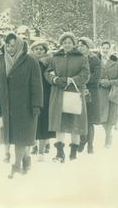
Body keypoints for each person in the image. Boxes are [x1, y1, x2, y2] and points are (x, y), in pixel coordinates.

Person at [0, 32, 43, 179]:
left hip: (25, 107)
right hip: (7, 106)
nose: (9, 48)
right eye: (7, 45)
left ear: (20, 45)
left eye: (13, 45)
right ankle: (26, 160)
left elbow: (37, 85)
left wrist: (36, 105)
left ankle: (16, 165)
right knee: (13, 137)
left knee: (21, 138)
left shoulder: (31, 61)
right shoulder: (2, 60)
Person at [45, 32, 90, 162]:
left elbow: (86, 74)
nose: (67, 45)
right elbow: (47, 72)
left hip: (74, 93)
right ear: (61, 44)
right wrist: (54, 79)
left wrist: (73, 80)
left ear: (74, 44)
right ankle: (60, 152)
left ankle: (73, 152)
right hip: (58, 93)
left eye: (69, 42)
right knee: (59, 123)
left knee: (75, 122)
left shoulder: (81, 58)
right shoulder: (55, 57)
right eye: (64, 43)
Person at [30, 40, 55, 162]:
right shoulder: (29, 62)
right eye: (36, 49)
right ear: (33, 51)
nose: (39, 51)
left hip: (46, 94)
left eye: (41, 49)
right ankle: (34, 145)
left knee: (43, 122)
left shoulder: (49, 63)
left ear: (45, 51)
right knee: (33, 121)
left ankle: (41, 149)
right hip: (33, 95)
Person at [77, 37, 101, 154]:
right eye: (79, 46)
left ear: (88, 47)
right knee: (80, 118)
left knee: (90, 120)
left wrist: (81, 79)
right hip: (79, 91)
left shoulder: (95, 60)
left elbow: (96, 77)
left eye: (83, 45)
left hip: (91, 92)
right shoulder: (76, 59)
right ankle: (82, 141)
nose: (80, 48)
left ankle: (90, 145)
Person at [98, 41, 118, 148]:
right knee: (102, 116)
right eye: (103, 48)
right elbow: (90, 75)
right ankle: (107, 134)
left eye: (107, 48)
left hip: (112, 93)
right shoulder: (96, 60)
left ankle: (108, 136)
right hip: (99, 93)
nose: (105, 50)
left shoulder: (117, 61)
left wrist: (110, 83)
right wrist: (99, 81)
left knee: (111, 116)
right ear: (100, 49)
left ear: (110, 49)